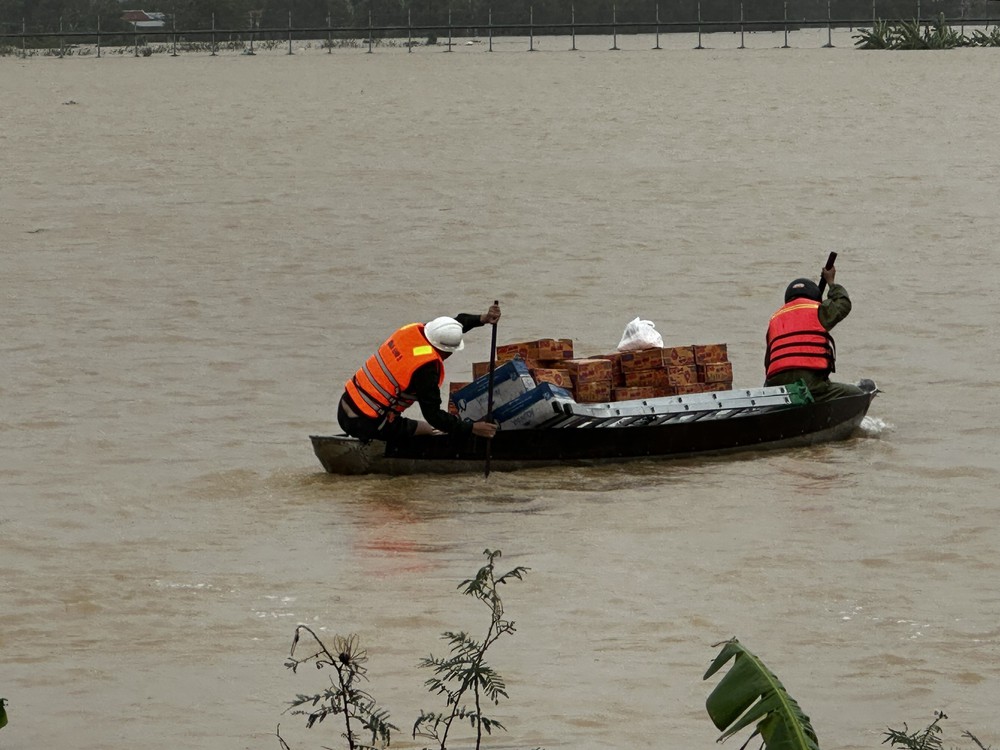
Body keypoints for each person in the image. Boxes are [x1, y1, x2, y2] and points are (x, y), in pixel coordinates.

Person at [338, 303, 502, 443]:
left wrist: (483, 318)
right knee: (430, 429)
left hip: (345, 407)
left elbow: (456, 323)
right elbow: (434, 416)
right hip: (368, 423)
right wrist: (473, 428)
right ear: (448, 351)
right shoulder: (426, 368)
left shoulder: (413, 332)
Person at [764, 264, 863, 401]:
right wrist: (831, 282)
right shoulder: (818, 309)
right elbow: (843, 303)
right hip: (811, 385)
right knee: (857, 393)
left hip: (777, 386)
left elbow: (769, 361)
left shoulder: (774, 319)